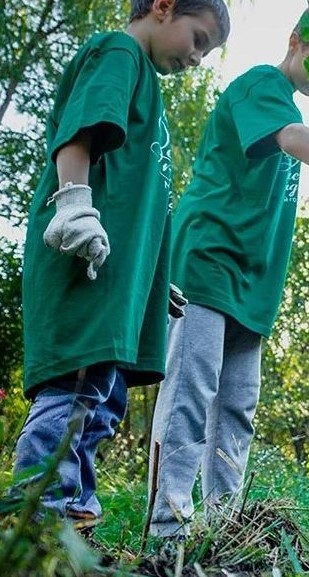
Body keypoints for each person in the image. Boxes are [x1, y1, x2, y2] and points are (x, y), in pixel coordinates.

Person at [147, 2, 309, 538]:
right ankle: (168, 523)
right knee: (192, 390)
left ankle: (224, 528)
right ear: (298, 38)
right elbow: (292, 137)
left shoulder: (288, 111)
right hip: (210, 261)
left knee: (239, 406)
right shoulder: (261, 86)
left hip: (254, 286)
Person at [14, 0, 230, 528]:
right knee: (76, 387)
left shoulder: (149, 92)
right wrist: (73, 203)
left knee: (102, 398)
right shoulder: (119, 52)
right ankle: (37, 519)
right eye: (197, 38)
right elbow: (81, 128)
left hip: (117, 277)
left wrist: (154, 282)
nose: (197, 58)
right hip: (82, 259)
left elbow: (139, 204)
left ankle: (73, 519)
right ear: (162, 7)